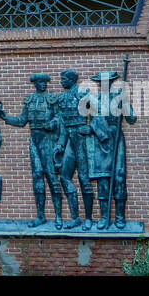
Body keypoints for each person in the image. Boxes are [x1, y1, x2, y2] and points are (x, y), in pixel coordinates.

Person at [0, 73, 65, 227]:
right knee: (37, 177)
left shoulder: (52, 99)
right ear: (35, 84)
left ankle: (58, 216)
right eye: (40, 82)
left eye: (45, 82)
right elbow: (22, 121)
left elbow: (59, 118)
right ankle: (40, 216)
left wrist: (53, 124)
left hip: (47, 140)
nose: (43, 84)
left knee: (52, 177)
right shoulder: (29, 101)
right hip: (34, 141)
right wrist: (5, 117)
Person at [85, 70, 136, 230]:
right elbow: (90, 122)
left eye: (108, 81)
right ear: (99, 84)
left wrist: (125, 102)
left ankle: (120, 217)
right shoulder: (93, 100)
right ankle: (104, 217)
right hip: (101, 142)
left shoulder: (119, 97)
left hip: (116, 139)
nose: (105, 84)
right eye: (102, 82)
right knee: (103, 181)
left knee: (119, 178)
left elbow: (132, 119)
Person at [52, 68, 94, 230]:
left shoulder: (84, 94)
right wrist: (60, 144)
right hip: (69, 137)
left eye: (63, 78)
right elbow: (62, 122)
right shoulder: (61, 98)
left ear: (71, 79)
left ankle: (89, 218)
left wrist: (90, 128)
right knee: (64, 176)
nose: (61, 81)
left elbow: (98, 114)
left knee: (84, 178)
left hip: (81, 137)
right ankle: (75, 217)